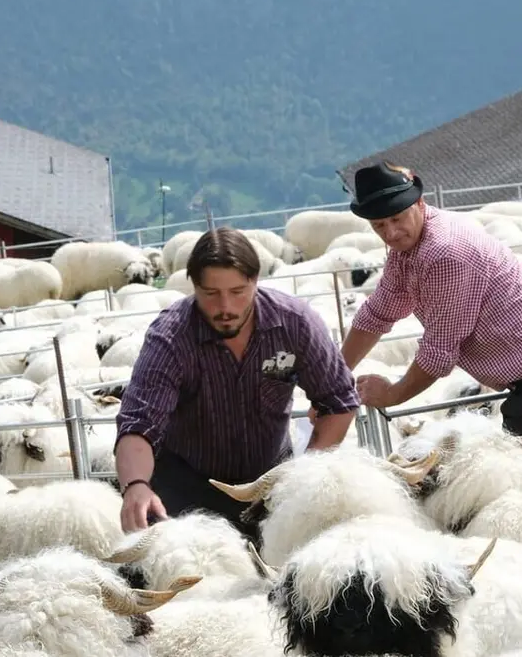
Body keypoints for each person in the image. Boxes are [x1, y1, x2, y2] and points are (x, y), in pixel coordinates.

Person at [113, 227, 361, 539]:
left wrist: (302, 477)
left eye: (238, 291)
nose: (225, 307)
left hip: (272, 482)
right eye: (211, 293)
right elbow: (139, 423)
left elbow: (338, 400)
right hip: (187, 488)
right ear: (193, 286)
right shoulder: (170, 337)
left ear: (255, 281)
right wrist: (136, 485)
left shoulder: (295, 323)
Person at [339, 160, 522, 458]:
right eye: (379, 225)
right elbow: (378, 311)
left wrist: (392, 394)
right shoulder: (408, 249)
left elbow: (439, 352)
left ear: (419, 203)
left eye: (397, 218)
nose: (391, 233)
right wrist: (335, 375)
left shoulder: (444, 253)